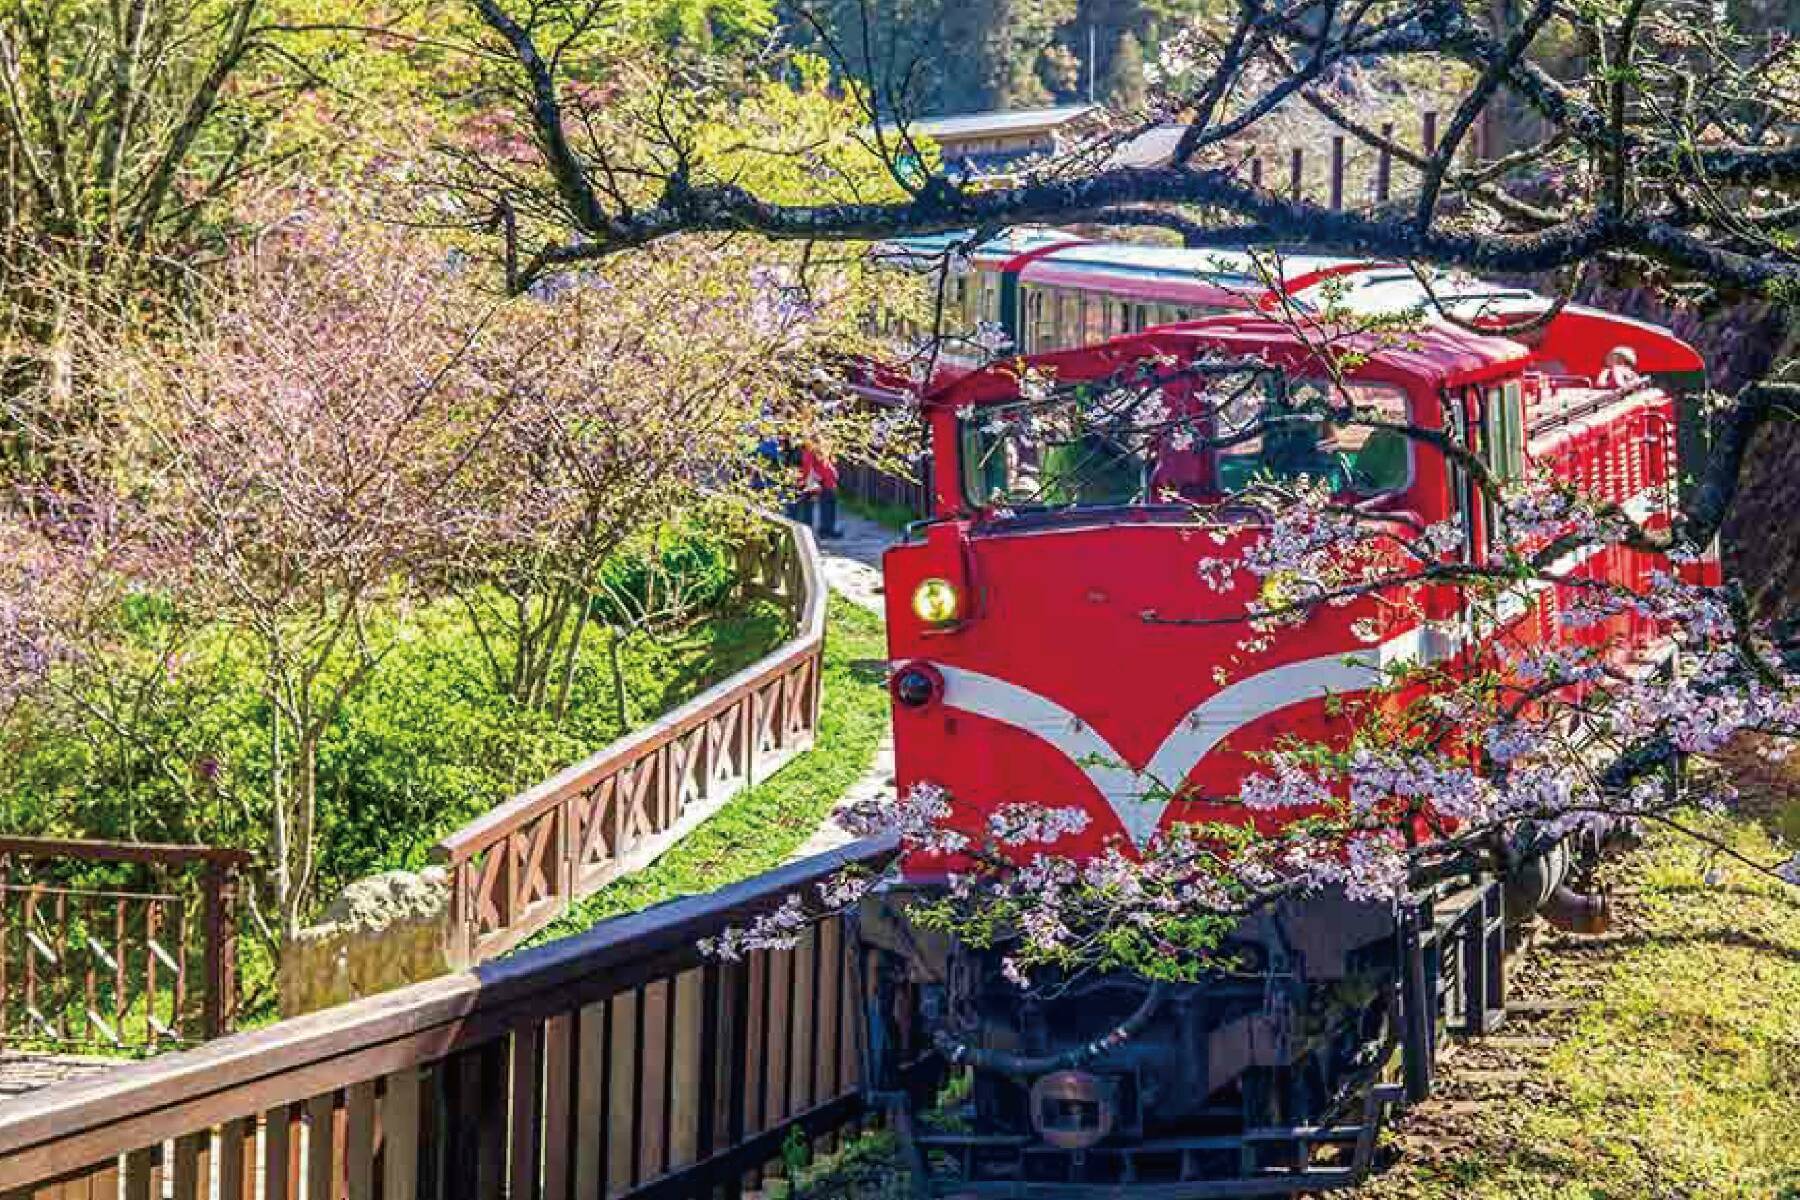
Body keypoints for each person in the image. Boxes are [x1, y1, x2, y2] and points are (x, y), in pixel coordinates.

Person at [794, 442, 844, 538]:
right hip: (822, 483)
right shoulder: (810, 453)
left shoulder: (816, 451)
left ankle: (826, 529)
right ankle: (821, 530)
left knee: (829, 507)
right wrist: (811, 483)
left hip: (828, 482)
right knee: (819, 508)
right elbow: (810, 469)